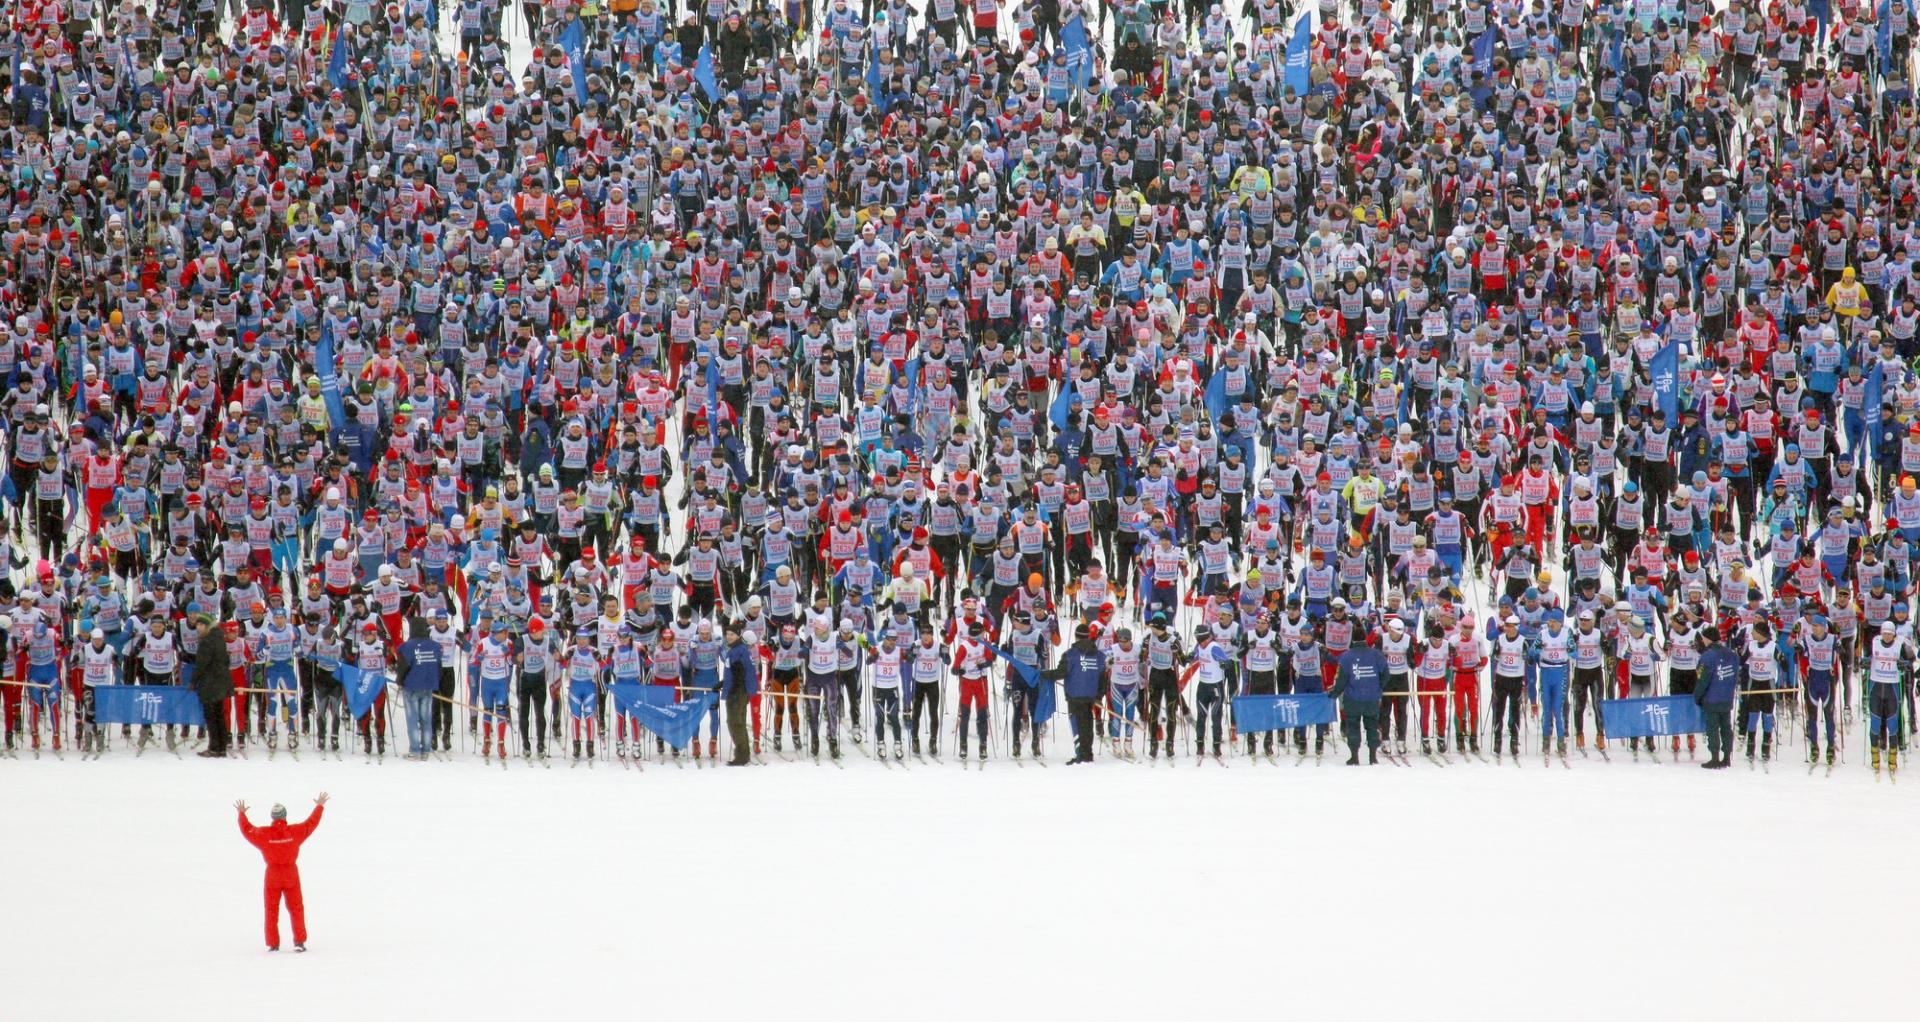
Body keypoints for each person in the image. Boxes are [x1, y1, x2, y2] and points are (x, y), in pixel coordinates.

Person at [235, 793, 329, 952]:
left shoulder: (264, 835)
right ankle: (299, 942)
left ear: (272, 817)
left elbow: (247, 830)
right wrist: (319, 806)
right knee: (296, 908)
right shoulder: (295, 832)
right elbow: (311, 824)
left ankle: (273, 944)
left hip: (272, 875)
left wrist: (242, 814)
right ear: (285, 816)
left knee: (271, 909)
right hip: (291, 873)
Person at [1046, 623, 1107, 765]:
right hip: (1090, 696)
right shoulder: (1098, 655)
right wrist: (1098, 696)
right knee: (1087, 723)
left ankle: (1080, 755)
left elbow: (1060, 673)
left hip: (1074, 694)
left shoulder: (1070, 654)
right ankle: (1088, 753)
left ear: (1076, 636)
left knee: (1077, 724)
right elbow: (1102, 678)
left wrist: (1045, 674)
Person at [1329, 640, 1388, 766]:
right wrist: (1378, 688)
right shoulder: (1377, 655)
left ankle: (1354, 757)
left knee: (1353, 728)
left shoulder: (1346, 656)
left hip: (1352, 699)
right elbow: (1386, 675)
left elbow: (1341, 679)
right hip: (1372, 699)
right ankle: (1373, 757)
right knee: (1372, 727)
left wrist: (1335, 693)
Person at [395, 619, 444, 762]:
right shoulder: (435, 646)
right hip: (429, 687)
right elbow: (439, 667)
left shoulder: (408, 647)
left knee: (412, 719)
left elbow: (403, 667)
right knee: (426, 719)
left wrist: (399, 681)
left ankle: (415, 750)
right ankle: (425, 751)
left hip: (411, 687)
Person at [1693, 629, 1742, 770]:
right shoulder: (1731, 654)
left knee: (1712, 729)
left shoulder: (1707, 657)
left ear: (1708, 639)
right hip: (1727, 697)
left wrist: (1698, 696)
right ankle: (1727, 756)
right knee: (1726, 727)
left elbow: (1702, 680)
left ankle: (1715, 757)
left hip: (1712, 699)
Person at [194, 611, 233, 759]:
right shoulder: (219, 637)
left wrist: (193, 681)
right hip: (221, 681)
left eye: (202, 624)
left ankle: (214, 747)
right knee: (219, 715)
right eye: (197, 624)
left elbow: (202, 664)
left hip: (210, 683)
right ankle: (221, 747)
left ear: (208, 625)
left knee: (211, 716)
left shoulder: (206, 641)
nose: (199, 627)